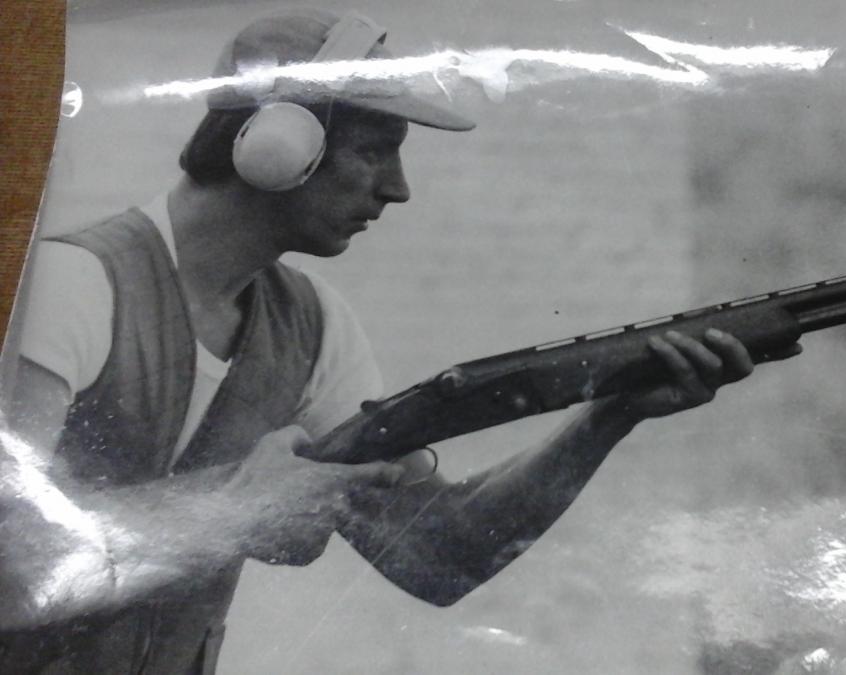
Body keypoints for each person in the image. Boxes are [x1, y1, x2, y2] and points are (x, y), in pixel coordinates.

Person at [0, 9, 798, 674]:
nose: (397, 187)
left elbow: (440, 555)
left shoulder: (313, 328)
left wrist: (607, 415)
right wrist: (243, 509)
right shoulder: (71, 286)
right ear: (281, 141)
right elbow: (15, 569)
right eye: (375, 149)